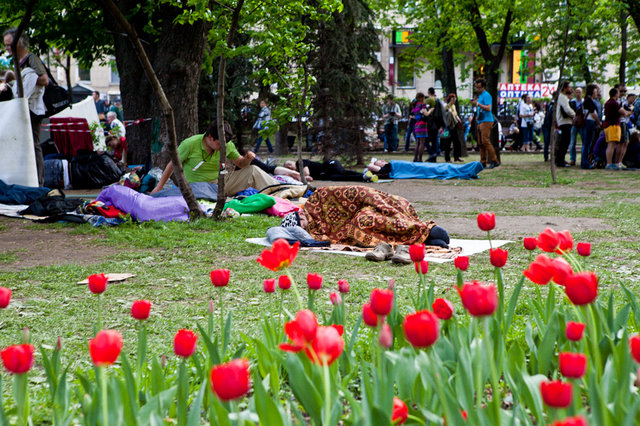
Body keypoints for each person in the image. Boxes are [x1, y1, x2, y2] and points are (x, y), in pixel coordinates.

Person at [286, 185, 449, 251]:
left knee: (368, 219)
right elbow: (333, 235)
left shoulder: (316, 200)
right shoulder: (314, 227)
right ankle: (423, 240)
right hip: (359, 216)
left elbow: (353, 193)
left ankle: (425, 230)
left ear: (300, 214)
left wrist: (378, 204)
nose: (306, 229)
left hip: (370, 202)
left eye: (302, 225)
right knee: (363, 226)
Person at [150, 120, 280, 195]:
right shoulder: (190, 144)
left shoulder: (227, 145)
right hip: (197, 188)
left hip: (220, 184)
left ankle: (280, 192)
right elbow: (172, 165)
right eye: (220, 143)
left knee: (253, 170)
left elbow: (240, 164)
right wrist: (159, 187)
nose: (223, 146)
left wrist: (247, 159)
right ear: (210, 137)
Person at [3, 29, 48, 186]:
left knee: (33, 144)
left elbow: (44, 80)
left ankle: (39, 181)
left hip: (33, 108)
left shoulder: (31, 59)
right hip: (23, 108)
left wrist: (24, 78)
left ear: (19, 43)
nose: (7, 48)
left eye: (9, 45)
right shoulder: (18, 60)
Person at [471, 78, 499, 168]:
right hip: (480, 120)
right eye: (476, 87)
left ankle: (494, 160)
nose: (477, 89)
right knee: (480, 143)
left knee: (485, 141)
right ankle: (483, 162)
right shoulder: (480, 96)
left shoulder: (486, 95)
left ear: (483, 87)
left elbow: (488, 108)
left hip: (486, 121)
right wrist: (477, 115)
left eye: (478, 87)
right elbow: (481, 108)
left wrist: (478, 104)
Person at [603, 87, 632, 170]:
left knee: (610, 144)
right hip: (613, 125)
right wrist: (629, 112)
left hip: (608, 125)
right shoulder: (614, 103)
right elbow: (623, 112)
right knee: (612, 144)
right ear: (616, 94)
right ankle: (609, 163)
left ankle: (609, 163)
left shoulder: (607, 103)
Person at [283, 159, 375, 182]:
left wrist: (296, 174)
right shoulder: (298, 173)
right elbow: (310, 179)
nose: (290, 167)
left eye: (289, 164)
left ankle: (363, 173)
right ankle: (363, 177)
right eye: (288, 167)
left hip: (330, 165)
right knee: (336, 177)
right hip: (328, 174)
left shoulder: (300, 162)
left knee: (342, 172)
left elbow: (307, 173)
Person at [555, 81, 576, 167]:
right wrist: (575, 115)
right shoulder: (563, 97)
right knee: (564, 142)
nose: (570, 89)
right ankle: (560, 161)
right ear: (564, 88)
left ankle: (560, 159)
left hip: (563, 122)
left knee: (563, 142)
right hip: (565, 122)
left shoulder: (562, 97)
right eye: (569, 87)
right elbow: (566, 109)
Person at [441, 93, 463, 162]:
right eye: (453, 99)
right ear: (450, 99)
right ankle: (447, 158)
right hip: (448, 126)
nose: (454, 100)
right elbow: (445, 116)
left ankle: (456, 157)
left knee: (457, 142)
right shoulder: (446, 107)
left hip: (454, 125)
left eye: (455, 99)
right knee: (447, 142)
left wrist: (458, 119)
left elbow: (455, 114)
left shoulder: (453, 106)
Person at [412, 92, 433, 162]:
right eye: (423, 98)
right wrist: (430, 110)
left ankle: (415, 158)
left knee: (417, 142)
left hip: (416, 125)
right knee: (422, 143)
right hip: (422, 125)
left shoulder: (415, 106)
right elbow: (426, 114)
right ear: (421, 98)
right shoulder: (422, 105)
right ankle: (420, 158)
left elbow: (415, 116)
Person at [568, 87, 585, 165]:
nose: (578, 94)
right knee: (572, 142)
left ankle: (583, 158)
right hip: (574, 124)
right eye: (577, 92)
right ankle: (572, 159)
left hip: (582, 124)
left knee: (584, 141)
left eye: (579, 92)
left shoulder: (584, 102)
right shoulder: (572, 102)